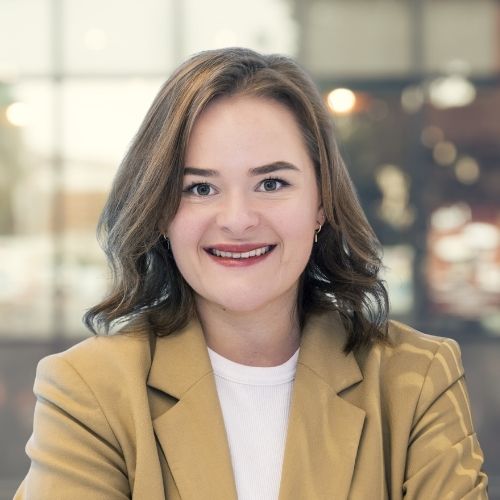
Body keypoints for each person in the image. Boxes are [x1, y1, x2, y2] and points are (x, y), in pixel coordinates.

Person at [15, 47, 488, 499]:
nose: (238, 219)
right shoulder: (89, 389)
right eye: (200, 188)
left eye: (271, 182)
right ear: (161, 213)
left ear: (321, 202)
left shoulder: (415, 379)